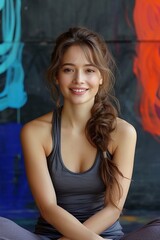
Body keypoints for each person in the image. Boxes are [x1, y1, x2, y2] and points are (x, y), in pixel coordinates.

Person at [0, 27, 159, 240]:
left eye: (89, 70)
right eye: (68, 69)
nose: (79, 79)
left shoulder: (123, 132)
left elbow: (113, 208)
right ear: (56, 76)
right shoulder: (35, 132)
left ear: (101, 77)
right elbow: (47, 207)